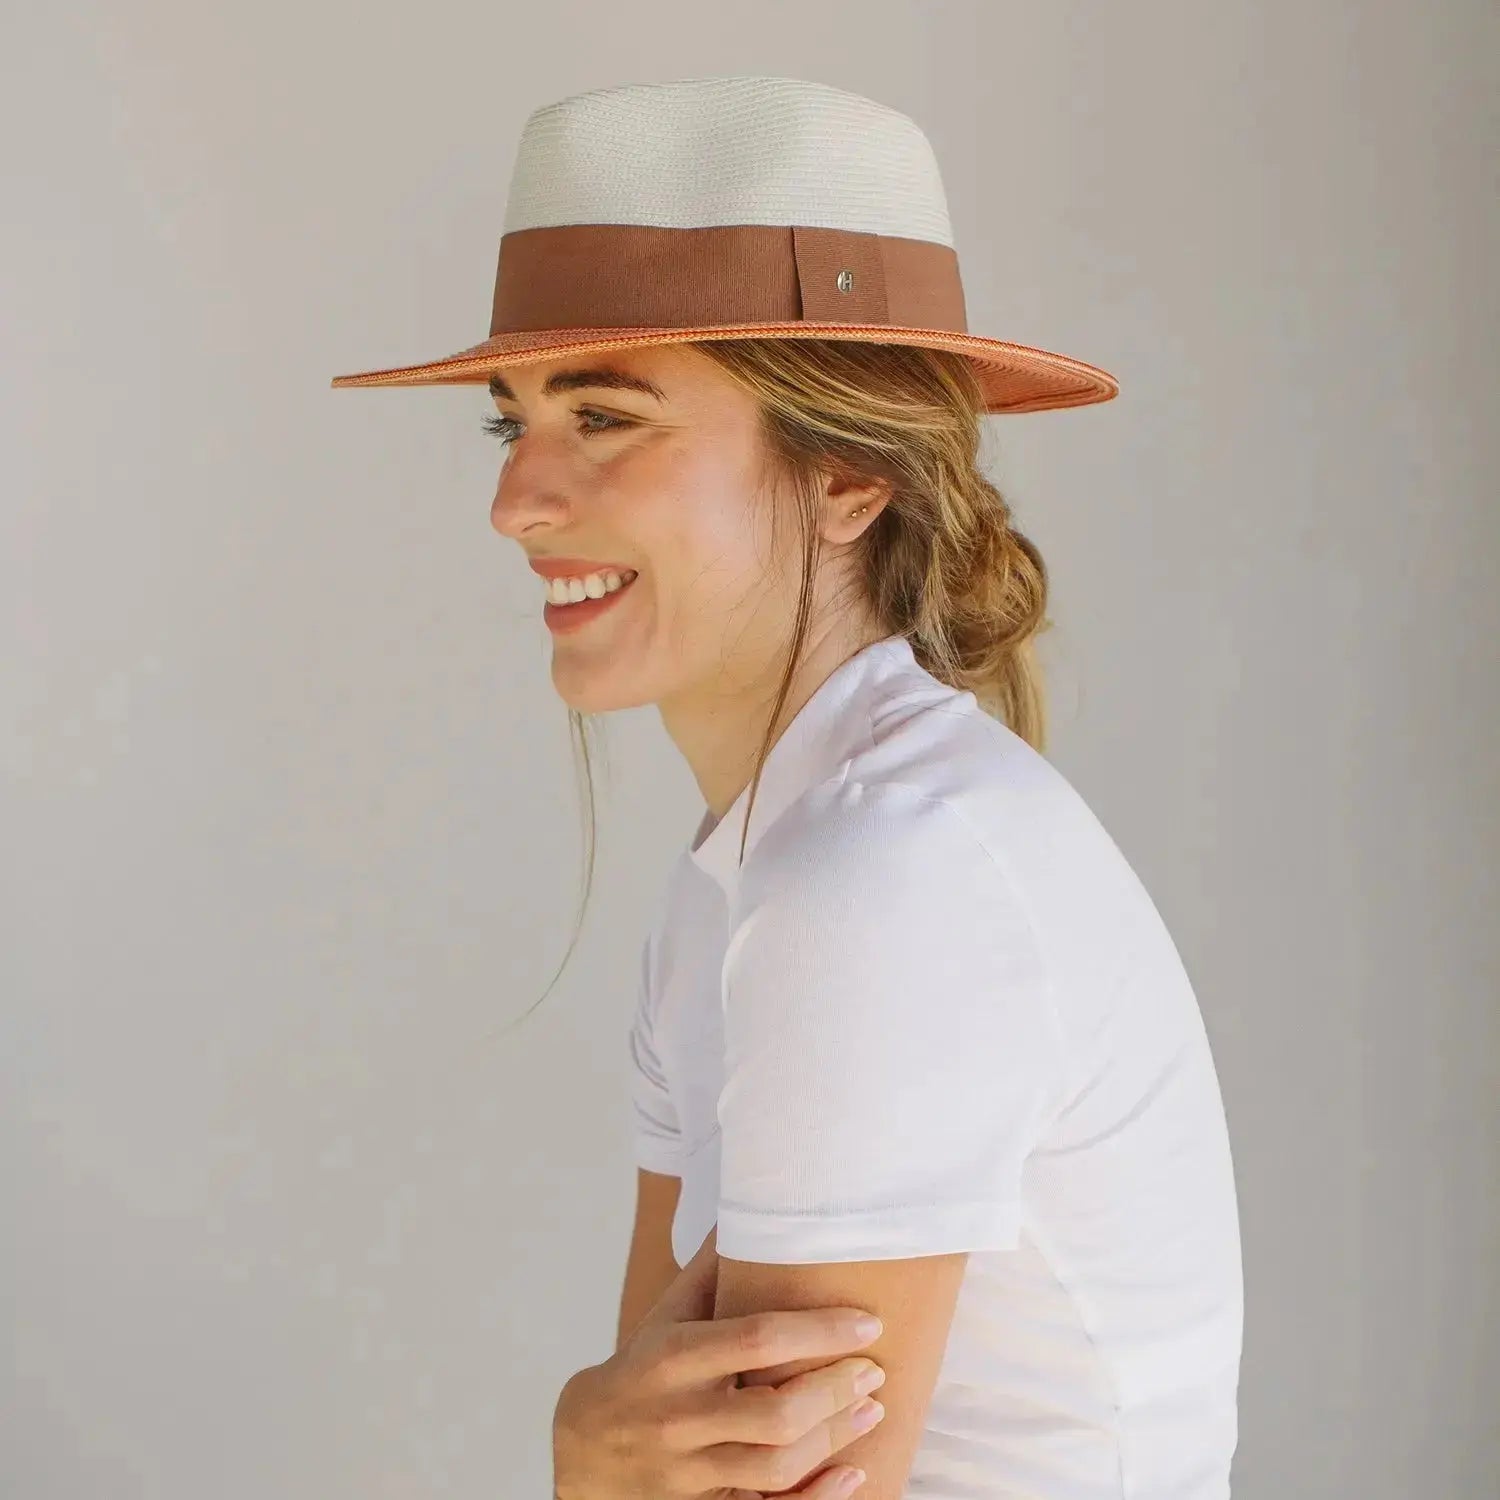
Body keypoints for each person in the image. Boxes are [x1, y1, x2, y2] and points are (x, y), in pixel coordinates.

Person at [332, 74, 1243, 1500]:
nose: (515, 505)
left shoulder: (878, 878)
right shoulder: (749, 872)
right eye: (512, 425)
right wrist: (607, 1460)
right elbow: (670, 1443)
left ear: (845, 476)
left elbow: (657, 1468)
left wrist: (587, 1464)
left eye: (605, 416)